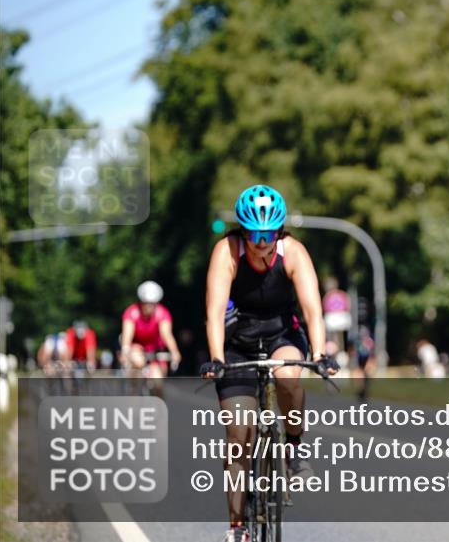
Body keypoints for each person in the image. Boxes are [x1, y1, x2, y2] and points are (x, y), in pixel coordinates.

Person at [198, 184, 337, 542]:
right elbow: (214, 312)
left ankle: (293, 448)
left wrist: (319, 354)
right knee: (238, 435)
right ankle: (237, 527)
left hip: (282, 335)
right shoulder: (227, 251)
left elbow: (313, 310)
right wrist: (216, 358)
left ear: (279, 231)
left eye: (269, 235)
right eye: (254, 235)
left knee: (289, 375)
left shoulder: (294, 252)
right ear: (243, 231)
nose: (261, 243)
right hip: (237, 344)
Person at [120, 281, 183, 389]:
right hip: (137, 347)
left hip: (155, 350)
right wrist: (125, 351)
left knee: (158, 382)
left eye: (152, 304)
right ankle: (134, 393)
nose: (149, 307)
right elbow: (127, 336)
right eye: (146, 303)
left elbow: (167, 335)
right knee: (137, 363)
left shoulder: (162, 313)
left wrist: (174, 352)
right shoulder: (132, 312)